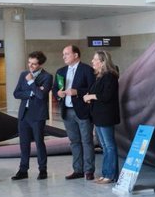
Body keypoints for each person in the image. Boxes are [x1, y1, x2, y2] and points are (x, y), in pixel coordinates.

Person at [55, 44, 95, 180]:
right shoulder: (60, 71)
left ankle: (89, 170)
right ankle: (77, 169)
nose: (64, 57)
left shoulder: (87, 70)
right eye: (63, 54)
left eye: (66, 54)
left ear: (76, 55)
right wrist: (58, 93)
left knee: (87, 141)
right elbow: (56, 90)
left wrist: (77, 92)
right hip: (67, 112)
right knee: (74, 142)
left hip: (83, 111)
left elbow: (92, 88)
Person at [11, 51, 52, 181]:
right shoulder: (23, 74)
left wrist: (31, 83)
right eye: (29, 63)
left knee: (39, 143)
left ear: (40, 64)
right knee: (23, 143)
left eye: (34, 64)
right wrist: (32, 92)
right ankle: (23, 170)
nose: (31, 66)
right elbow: (16, 93)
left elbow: (41, 96)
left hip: (38, 115)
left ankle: (42, 169)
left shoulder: (47, 77)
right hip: (24, 114)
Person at [83, 50, 121, 184]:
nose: (92, 62)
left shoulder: (110, 76)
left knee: (109, 146)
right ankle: (106, 173)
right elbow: (95, 93)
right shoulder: (99, 76)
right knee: (104, 146)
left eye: (95, 59)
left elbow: (106, 96)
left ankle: (110, 175)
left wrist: (91, 96)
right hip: (98, 116)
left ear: (103, 62)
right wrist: (88, 96)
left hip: (106, 116)